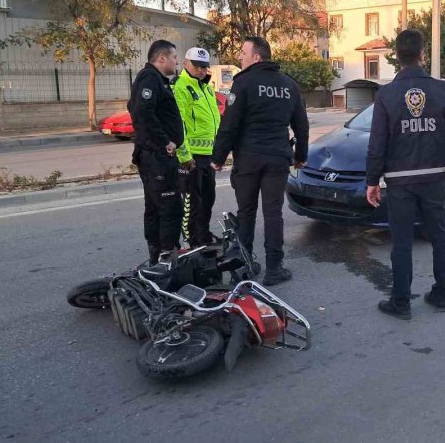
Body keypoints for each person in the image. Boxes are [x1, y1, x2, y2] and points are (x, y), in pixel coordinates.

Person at [366, 29, 445, 320]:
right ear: (422, 54)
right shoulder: (441, 90)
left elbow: (377, 144)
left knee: (401, 242)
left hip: (399, 181)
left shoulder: (386, 94)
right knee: (439, 235)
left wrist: (372, 181)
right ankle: (441, 295)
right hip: (435, 177)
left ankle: (401, 302)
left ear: (397, 57)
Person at [211, 37, 309, 286]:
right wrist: (301, 157)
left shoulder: (243, 83)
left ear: (257, 57)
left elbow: (229, 124)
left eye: (243, 53)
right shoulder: (290, 85)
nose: (239, 57)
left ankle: (245, 266)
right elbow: (302, 126)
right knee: (273, 213)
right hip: (277, 158)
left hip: (248, 158)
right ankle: (275, 268)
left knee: (247, 212)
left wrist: (218, 158)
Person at [128, 40, 187, 264]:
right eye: (173, 57)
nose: (176, 61)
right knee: (170, 207)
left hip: (153, 156)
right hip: (158, 158)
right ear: (161, 58)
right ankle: (166, 255)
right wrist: (164, 142)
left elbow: (133, 107)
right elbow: (142, 111)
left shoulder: (156, 81)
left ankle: (157, 255)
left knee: (154, 207)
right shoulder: (150, 78)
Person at [173, 47, 221, 248]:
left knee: (208, 199)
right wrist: (184, 155)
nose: (201, 70)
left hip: (208, 156)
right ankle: (193, 242)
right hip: (191, 156)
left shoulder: (206, 88)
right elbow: (178, 123)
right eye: (197, 65)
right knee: (192, 203)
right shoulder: (180, 87)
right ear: (186, 64)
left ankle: (203, 234)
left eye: (204, 66)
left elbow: (214, 120)